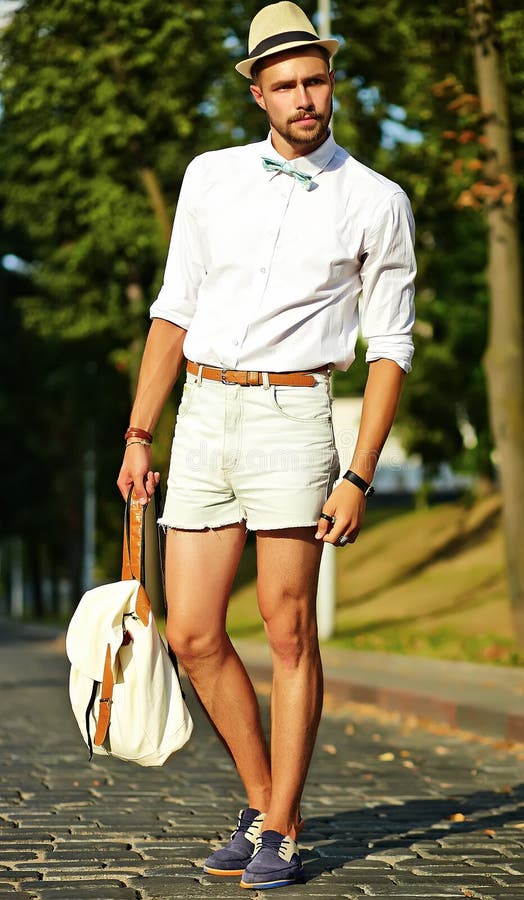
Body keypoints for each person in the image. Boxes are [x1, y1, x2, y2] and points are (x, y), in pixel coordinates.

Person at [117, 0, 416, 890]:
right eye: (284, 84)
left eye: (316, 80)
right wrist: (140, 430)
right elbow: (174, 307)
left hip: (296, 418)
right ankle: (263, 801)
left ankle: (281, 829)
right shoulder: (208, 177)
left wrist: (358, 470)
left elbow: (391, 344)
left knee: (287, 629)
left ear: (333, 81)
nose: (304, 98)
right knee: (192, 631)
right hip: (204, 413)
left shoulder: (376, 200)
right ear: (257, 92)